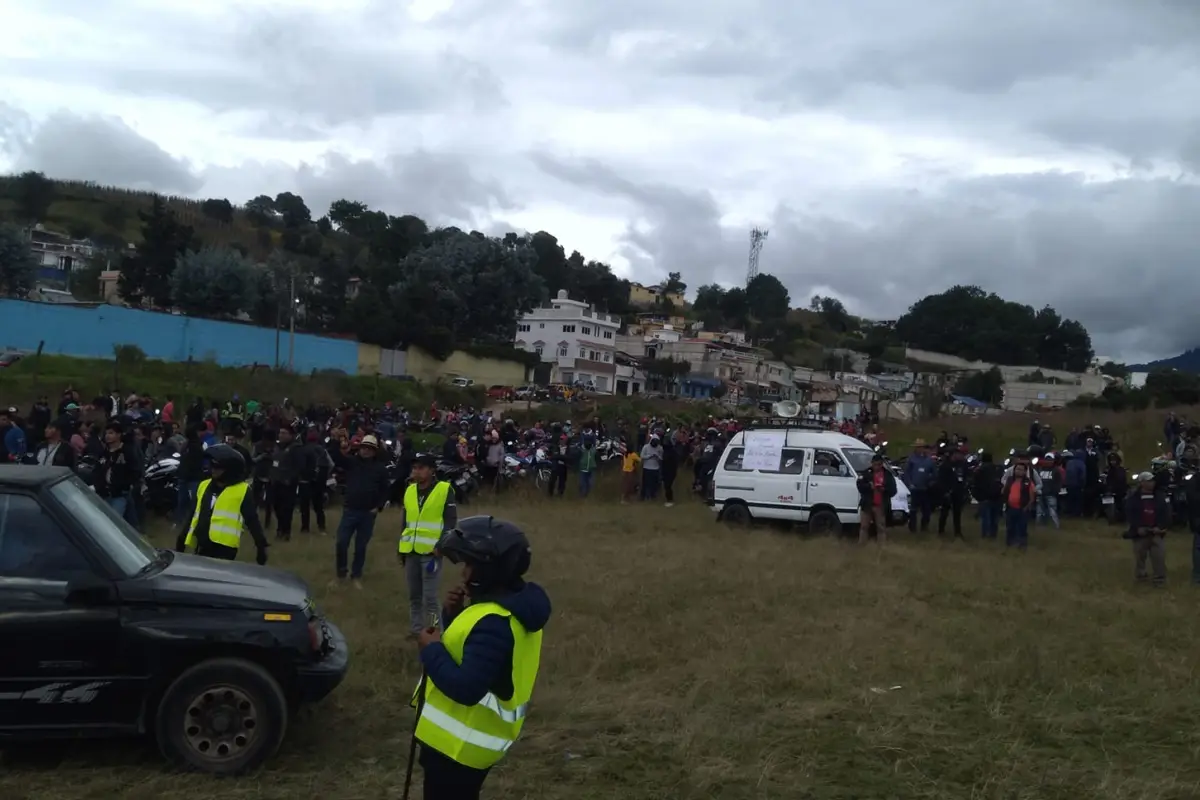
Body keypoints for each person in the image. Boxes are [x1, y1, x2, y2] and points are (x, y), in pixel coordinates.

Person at [413, 516, 551, 800]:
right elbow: (476, 655)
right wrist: (453, 616)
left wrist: (430, 649)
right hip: (467, 744)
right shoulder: (504, 609)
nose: (463, 573)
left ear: (488, 571)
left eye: (469, 565)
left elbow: (467, 687)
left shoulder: (494, 622)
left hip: (459, 748)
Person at [178, 444, 269, 564]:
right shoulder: (204, 485)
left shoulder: (242, 490)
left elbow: (252, 521)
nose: (213, 470)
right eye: (212, 465)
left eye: (218, 467)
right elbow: (193, 514)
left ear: (230, 469)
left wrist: (261, 546)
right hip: (202, 543)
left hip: (224, 549)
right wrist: (181, 540)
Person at [399, 453, 458, 638]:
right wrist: (400, 548)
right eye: (415, 467)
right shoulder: (409, 490)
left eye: (421, 467)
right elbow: (405, 521)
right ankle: (416, 630)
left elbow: (450, 521)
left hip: (432, 552)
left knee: (430, 597)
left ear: (432, 470)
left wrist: (441, 545)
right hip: (411, 550)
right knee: (414, 596)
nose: (417, 471)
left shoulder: (444, 489)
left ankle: (435, 631)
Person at [330, 434, 391, 585]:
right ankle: (341, 575)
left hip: (368, 513)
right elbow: (335, 456)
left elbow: (386, 490)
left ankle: (356, 576)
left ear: (374, 451)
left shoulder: (380, 469)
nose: (366, 451)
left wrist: (378, 507)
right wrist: (335, 440)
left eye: (369, 448)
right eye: (364, 447)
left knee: (360, 546)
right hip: (350, 510)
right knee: (341, 542)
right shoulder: (351, 462)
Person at [1124, 471, 1168, 587]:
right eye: (1148, 481)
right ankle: (1141, 577)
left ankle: (1159, 579)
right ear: (1142, 482)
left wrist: (1161, 526)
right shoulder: (1133, 498)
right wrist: (1138, 527)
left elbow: (1165, 513)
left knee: (1159, 557)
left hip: (1156, 532)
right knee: (1140, 557)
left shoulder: (1159, 496)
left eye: (1152, 480)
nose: (1152, 483)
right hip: (1141, 533)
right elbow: (1130, 514)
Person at [855, 453, 896, 545]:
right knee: (864, 526)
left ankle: (881, 546)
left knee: (881, 527)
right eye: (874, 464)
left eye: (878, 464)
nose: (876, 466)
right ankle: (861, 544)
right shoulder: (866, 473)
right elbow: (859, 486)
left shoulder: (887, 475)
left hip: (880, 505)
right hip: (867, 504)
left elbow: (893, 490)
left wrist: (884, 489)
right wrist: (869, 486)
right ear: (872, 463)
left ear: (882, 464)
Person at [901, 439, 936, 532]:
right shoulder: (911, 459)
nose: (920, 449)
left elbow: (934, 473)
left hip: (925, 489)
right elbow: (907, 473)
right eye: (918, 447)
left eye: (922, 447)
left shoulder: (929, 460)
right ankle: (912, 528)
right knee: (913, 510)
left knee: (926, 510)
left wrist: (931, 481)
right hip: (914, 489)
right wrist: (909, 484)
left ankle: (924, 527)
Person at [1001, 462, 1037, 551]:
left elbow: (1032, 497)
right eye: (1017, 469)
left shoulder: (1028, 482)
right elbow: (1004, 491)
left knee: (1022, 527)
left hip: (1022, 509)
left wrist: (1027, 507)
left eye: (1021, 470)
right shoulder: (1009, 480)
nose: (1018, 471)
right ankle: (1010, 543)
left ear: (1025, 472)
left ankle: (1022, 545)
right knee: (1010, 527)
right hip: (1010, 508)